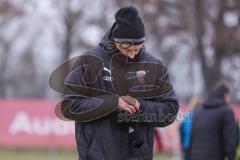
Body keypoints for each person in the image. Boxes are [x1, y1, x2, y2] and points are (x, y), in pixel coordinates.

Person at [61, 6, 179, 160]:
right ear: (115, 41)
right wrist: (111, 104)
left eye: (136, 49)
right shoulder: (89, 61)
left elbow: (169, 111)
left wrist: (140, 107)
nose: (131, 55)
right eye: (126, 49)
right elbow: (69, 106)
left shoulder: (154, 66)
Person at [189, 82, 236, 160]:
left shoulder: (197, 111)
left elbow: (191, 138)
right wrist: (232, 157)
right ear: (226, 94)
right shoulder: (226, 111)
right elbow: (229, 140)